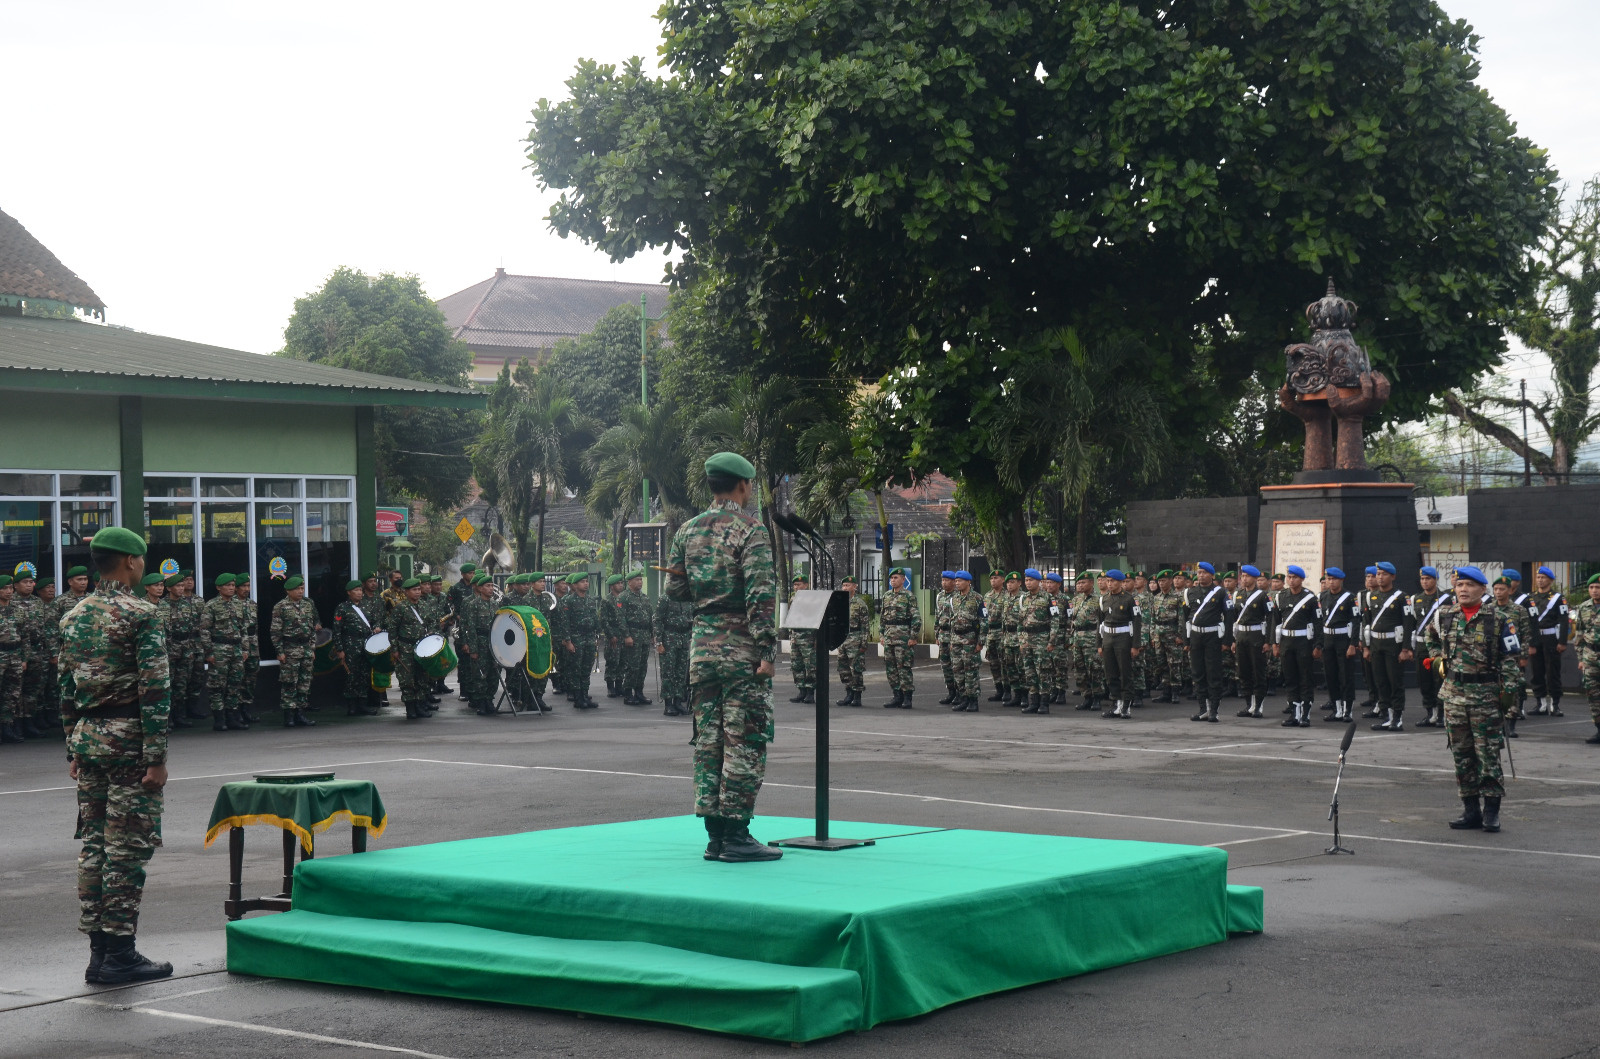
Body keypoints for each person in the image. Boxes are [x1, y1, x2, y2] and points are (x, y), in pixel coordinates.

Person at [58, 526, 173, 984]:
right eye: (141, 560)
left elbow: (66, 689)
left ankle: (99, 953)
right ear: (129, 561)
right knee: (126, 849)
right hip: (129, 742)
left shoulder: (73, 616)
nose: (143, 567)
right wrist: (157, 757)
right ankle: (121, 955)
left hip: (88, 740)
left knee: (94, 849)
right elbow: (155, 690)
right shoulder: (141, 613)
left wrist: (73, 746)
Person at [664, 452, 781, 863]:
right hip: (742, 651)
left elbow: (675, 593)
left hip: (702, 648)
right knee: (745, 738)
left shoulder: (688, 531)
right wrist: (767, 648)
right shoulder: (751, 530)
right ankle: (737, 833)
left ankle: (715, 835)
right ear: (743, 486)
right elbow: (761, 594)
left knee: (709, 739)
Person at [1420, 565, 1519, 834]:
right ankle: (1470, 810)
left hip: (1485, 698)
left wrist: (1508, 694)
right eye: (1459, 585)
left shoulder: (1498, 619)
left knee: (1487, 755)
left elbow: (1510, 660)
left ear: (1482, 590)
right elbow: (1429, 637)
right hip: (1453, 696)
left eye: (1469, 585)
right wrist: (1437, 658)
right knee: (1462, 756)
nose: (1463, 589)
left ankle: (1491, 812)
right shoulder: (1445, 615)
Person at [1364, 561, 1415, 732]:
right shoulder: (1371, 596)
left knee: (1395, 682)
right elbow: (1367, 623)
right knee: (1381, 681)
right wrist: (1366, 647)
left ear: (1392, 576)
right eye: (1378, 574)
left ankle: (1397, 718)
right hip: (1376, 644)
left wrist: (1406, 649)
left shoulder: (1401, 597)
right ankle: (1386, 716)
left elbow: (1408, 624)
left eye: (1383, 574)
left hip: (1394, 645)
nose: (1379, 577)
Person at [1183, 561, 1232, 723]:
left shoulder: (1221, 593)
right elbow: (1185, 618)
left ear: (1211, 575)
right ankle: (1203, 709)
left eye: (1204, 572)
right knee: (1198, 673)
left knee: (1213, 673)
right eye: (1199, 572)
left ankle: (1214, 710)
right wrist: (1186, 640)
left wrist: (1226, 640)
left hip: (1213, 637)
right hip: (1196, 637)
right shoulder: (1190, 592)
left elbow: (1229, 618)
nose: (1201, 575)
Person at [269, 576, 321, 728]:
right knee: (289, 683)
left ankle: (300, 713)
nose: (300, 591)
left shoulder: (307, 605)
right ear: (288, 591)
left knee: (304, 682)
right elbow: (275, 631)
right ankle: (289, 715)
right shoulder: (281, 606)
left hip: (305, 649)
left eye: (302, 588)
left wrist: (312, 648)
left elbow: (312, 629)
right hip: (290, 649)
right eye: (297, 589)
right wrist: (280, 651)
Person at [1273, 565, 1321, 725]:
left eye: (1294, 577)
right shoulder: (1281, 596)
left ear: (1301, 579)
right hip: (1286, 642)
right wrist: (1275, 643)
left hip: (1304, 642)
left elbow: (1318, 622)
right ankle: (1294, 713)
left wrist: (1317, 645)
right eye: (1289, 577)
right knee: (1290, 678)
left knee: (1305, 677)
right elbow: (1276, 621)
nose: (1291, 580)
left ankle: (1305, 714)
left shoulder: (1310, 598)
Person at [200, 575, 247, 732]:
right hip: (219, 648)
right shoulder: (211, 605)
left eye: (233, 585)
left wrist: (245, 649)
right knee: (217, 685)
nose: (232, 588)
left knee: (235, 683)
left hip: (236, 649)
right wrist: (209, 651)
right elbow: (205, 630)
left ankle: (232, 717)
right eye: (228, 585)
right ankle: (219, 720)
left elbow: (244, 628)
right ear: (219, 588)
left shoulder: (238, 604)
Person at [1094, 569, 1142, 718]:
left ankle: (1126, 705)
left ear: (1121, 583)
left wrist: (1135, 645)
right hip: (1108, 637)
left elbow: (1137, 622)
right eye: (1108, 581)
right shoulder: (1103, 599)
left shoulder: (1129, 599)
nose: (1109, 584)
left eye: (1113, 581)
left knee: (1125, 673)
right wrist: (1099, 644)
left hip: (1123, 638)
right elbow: (1100, 623)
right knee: (1110, 673)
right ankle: (1116, 704)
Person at [1231, 565, 1274, 719]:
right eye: (1242, 576)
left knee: (1258, 671)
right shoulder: (1238, 595)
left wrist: (1268, 641)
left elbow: (1270, 618)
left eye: (1247, 576)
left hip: (1256, 636)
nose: (1244, 579)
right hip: (1241, 635)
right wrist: (1234, 640)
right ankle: (1249, 705)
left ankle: (1259, 706)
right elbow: (1234, 618)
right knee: (1243, 671)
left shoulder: (1263, 596)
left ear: (1255, 579)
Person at [387, 577, 433, 720]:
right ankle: (410, 708)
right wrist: (395, 649)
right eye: (414, 590)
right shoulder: (400, 608)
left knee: (422, 677)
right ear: (406, 592)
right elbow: (392, 629)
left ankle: (419, 706)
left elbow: (431, 624)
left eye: (419, 589)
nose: (418, 592)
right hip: (405, 647)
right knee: (407, 679)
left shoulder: (425, 606)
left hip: (422, 647)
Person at [1527, 565, 1570, 717]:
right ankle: (1540, 704)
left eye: (1543, 578)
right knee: (1536, 671)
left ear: (1550, 580)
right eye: (1538, 577)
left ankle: (1555, 704)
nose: (1540, 580)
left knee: (1553, 671)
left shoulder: (1558, 598)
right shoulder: (1530, 598)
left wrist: (1563, 641)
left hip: (1551, 637)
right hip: (1536, 638)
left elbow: (1564, 620)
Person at [333, 580, 379, 715]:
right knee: (351, 675)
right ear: (349, 593)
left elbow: (375, 621)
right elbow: (337, 630)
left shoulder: (367, 607)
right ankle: (352, 705)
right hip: (350, 645)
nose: (359, 593)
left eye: (360, 590)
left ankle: (362, 704)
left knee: (364, 674)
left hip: (365, 644)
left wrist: (377, 627)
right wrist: (340, 649)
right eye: (356, 591)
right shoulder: (342, 608)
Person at [1319, 568, 1360, 721]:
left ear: (1341, 580)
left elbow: (1356, 621)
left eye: (1334, 579)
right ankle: (1336, 709)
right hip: (1327, 640)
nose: (1331, 582)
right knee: (1331, 676)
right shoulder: (1323, 597)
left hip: (1343, 640)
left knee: (1346, 677)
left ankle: (1347, 710)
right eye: (1328, 579)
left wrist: (1353, 644)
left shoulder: (1349, 598)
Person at [1411, 566, 1449, 727]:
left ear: (1435, 580)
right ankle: (1430, 712)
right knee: (1424, 680)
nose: (1425, 582)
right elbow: (1414, 621)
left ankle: (1441, 714)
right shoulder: (1416, 599)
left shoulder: (1445, 599)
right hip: (1421, 645)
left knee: (1439, 680)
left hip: (1438, 645)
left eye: (1428, 579)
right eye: (1422, 579)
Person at [878, 567, 920, 709]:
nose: (893, 580)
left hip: (903, 638)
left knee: (904, 667)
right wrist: (881, 635)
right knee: (891, 669)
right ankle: (897, 696)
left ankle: (907, 697)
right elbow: (882, 618)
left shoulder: (909, 596)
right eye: (891, 578)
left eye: (896, 578)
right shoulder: (886, 596)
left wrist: (913, 636)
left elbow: (916, 617)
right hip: (889, 637)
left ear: (903, 579)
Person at [558, 573, 601, 709]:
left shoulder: (590, 600)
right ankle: (577, 697)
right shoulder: (569, 601)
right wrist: (568, 641)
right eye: (582, 582)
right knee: (576, 669)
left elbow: (595, 619)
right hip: (576, 637)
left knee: (586, 668)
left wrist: (597, 635)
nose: (586, 584)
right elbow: (565, 623)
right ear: (575, 585)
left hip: (589, 637)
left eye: (587, 581)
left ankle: (585, 695)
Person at [1016, 569, 1054, 715]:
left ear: (1038, 581)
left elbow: (1055, 621)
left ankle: (1044, 703)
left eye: (1031, 580)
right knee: (1029, 671)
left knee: (1043, 671)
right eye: (1026, 580)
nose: (1028, 583)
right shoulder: (1023, 598)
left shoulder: (1048, 598)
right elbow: (1020, 621)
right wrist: (1021, 639)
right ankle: (1034, 701)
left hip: (1042, 639)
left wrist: (1051, 641)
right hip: (1027, 640)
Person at [458, 574, 497, 714]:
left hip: (493, 642)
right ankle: (480, 702)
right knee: (480, 674)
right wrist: (473, 648)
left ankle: (489, 700)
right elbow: (471, 628)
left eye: (492, 586)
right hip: (480, 641)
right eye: (487, 586)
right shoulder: (473, 605)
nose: (491, 588)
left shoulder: (494, 604)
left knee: (493, 674)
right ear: (480, 588)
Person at [1570, 573, 1600, 745]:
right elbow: (1579, 635)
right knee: (1592, 693)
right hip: (1590, 655)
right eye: (1591, 587)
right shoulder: (1583, 607)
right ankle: (1598, 729)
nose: (1594, 591)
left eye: (1597, 587)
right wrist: (1581, 658)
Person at [656, 585, 694, 716]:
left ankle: (678, 702)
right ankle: (668, 704)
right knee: (668, 673)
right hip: (669, 639)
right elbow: (657, 620)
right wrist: (659, 642)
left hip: (684, 639)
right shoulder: (666, 598)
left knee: (681, 673)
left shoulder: (688, 599)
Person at [948, 570, 984, 712]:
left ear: (968, 582)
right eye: (956, 581)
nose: (957, 583)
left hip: (970, 638)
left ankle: (973, 700)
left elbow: (983, 620)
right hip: (956, 639)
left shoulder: (977, 598)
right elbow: (952, 620)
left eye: (960, 581)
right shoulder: (954, 599)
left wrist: (980, 641)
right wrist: (951, 640)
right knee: (958, 671)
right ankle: (963, 698)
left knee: (971, 671)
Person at [1068, 572, 1103, 711]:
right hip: (1077, 638)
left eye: (1083, 583)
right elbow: (1073, 620)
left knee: (1094, 669)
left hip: (1092, 637)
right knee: (1079, 670)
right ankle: (1086, 697)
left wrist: (1101, 641)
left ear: (1091, 583)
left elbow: (1103, 621)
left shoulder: (1099, 599)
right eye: (1078, 583)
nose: (1080, 585)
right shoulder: (1076, 600)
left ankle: (1097, 698)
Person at [836, 575, 870, 708]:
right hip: (842, 639)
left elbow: (865, 625)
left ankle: (857, 696)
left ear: (855, 587)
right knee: (843, 668)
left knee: (856, 668)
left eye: (848, 585)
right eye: (843, 585)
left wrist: (864, 642)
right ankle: (848, 693)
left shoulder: (860, 604)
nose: (845, 588)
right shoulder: (839, 602)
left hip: (855, 638)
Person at [0, 576, 26, 744]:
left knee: (12, 693)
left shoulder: (17, 609)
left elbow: (25, 636)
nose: (9, 591)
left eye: (11, 588)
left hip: (15, 654)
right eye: (5, 588)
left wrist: (24, 658)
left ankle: (7, 727)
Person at [786, 573, 817, 704]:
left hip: (808, 636)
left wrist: (816, 638)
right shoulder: (792, 598)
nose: (796, 587)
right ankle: (801, 690)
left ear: (806, 585)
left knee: (810, 665)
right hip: (795, 635)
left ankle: (810, 692)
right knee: (796, 664)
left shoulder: (813, 599)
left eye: (799, 584)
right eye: (794, 585)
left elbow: (816, 618)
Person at [981, 572, 1007, 702]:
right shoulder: (987, 596)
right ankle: (999, 690)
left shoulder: (1007, 595)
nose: (993, 580)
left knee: (1005, 663)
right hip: (990, 634)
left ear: (1002, 580)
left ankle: (1007, 691)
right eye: (991, 578)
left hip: (1002, 633)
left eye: (996, 578)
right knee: (993, 663)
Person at [933, 571, 957, 705]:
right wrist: (937, 634)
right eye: (942, 580)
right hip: (943, 635)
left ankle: (960, 693)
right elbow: (938, 616)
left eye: (947, 580)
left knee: (957, 666)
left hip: (954, 635)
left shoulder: (958, 596)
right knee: (945, 666)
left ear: (953, 582)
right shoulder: (939, 596)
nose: (944, 583)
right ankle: (951, 692)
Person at [603, 574, 627, 698]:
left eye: (622, 583)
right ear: (612, 586)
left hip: (623, 634)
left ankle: (619, 685)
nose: (621, 585)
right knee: (612, 660)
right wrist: (610, 635)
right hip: (613, 634)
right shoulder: (607, 600)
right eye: (618, 583)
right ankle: (610, 687)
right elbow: (604, 620)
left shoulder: (623, 598)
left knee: (622, 661)